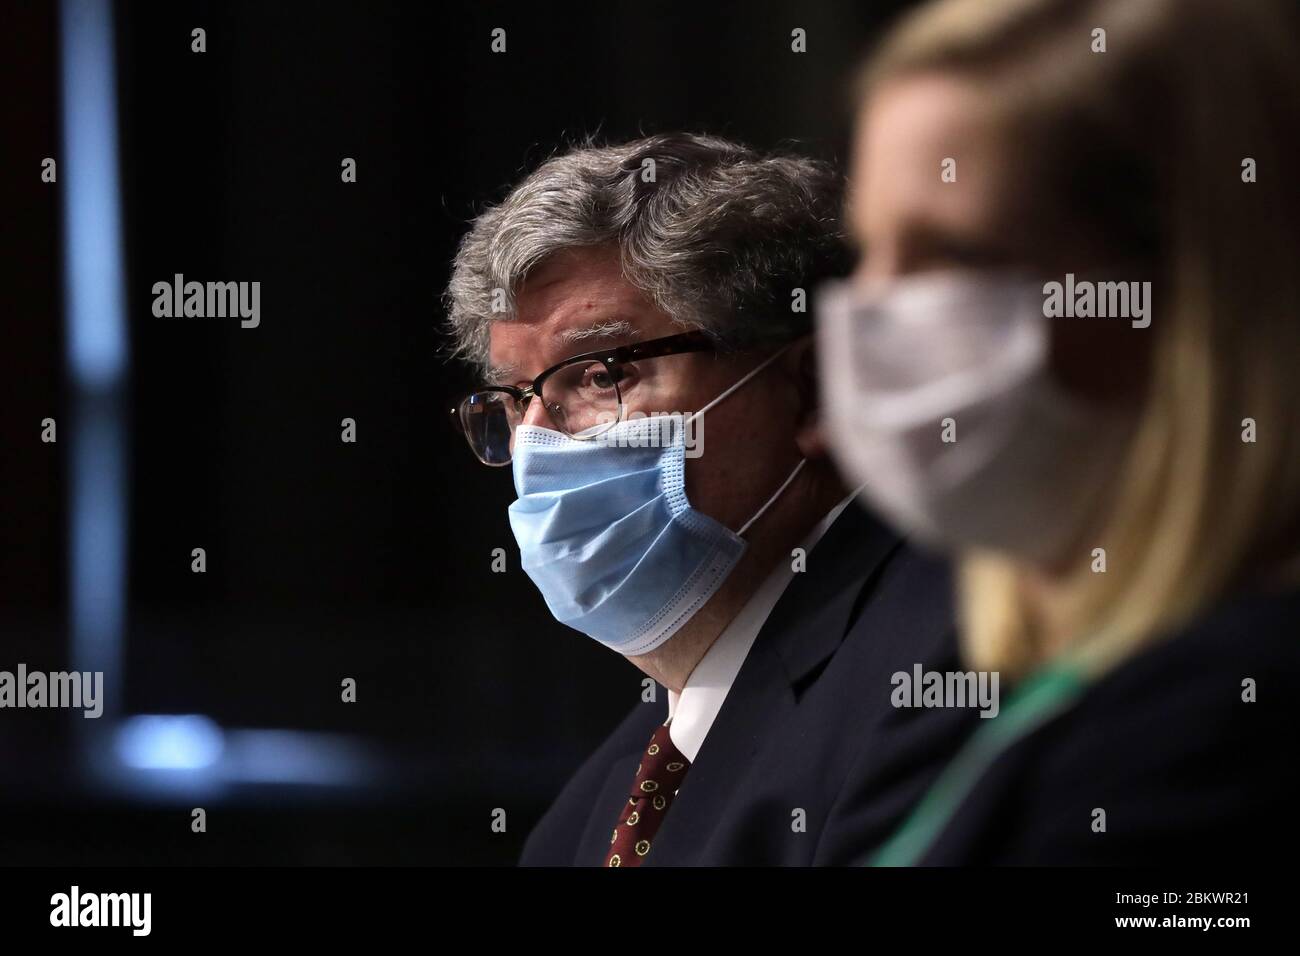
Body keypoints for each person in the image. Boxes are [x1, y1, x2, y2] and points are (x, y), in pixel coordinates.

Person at [816, 0, 1300, 864]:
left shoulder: (1223, 725)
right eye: (869, 253)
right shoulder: (997, 682)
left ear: (1191, 294)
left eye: (953, 257)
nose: (870, 318)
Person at [444, 133, 980, 865]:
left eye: (600, 375)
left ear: (816, 386)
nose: (539, 443)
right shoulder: (575, 828)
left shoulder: (947, 675)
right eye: (514, 398)